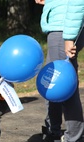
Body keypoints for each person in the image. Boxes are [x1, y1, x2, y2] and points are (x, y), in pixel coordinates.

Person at [35, 0, 84, 142]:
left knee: (63, 84)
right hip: (61, 27)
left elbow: (77, 3)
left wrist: (68, 37)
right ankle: (54, 129)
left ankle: (74, 137)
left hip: (64, 30)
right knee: (52, 81)